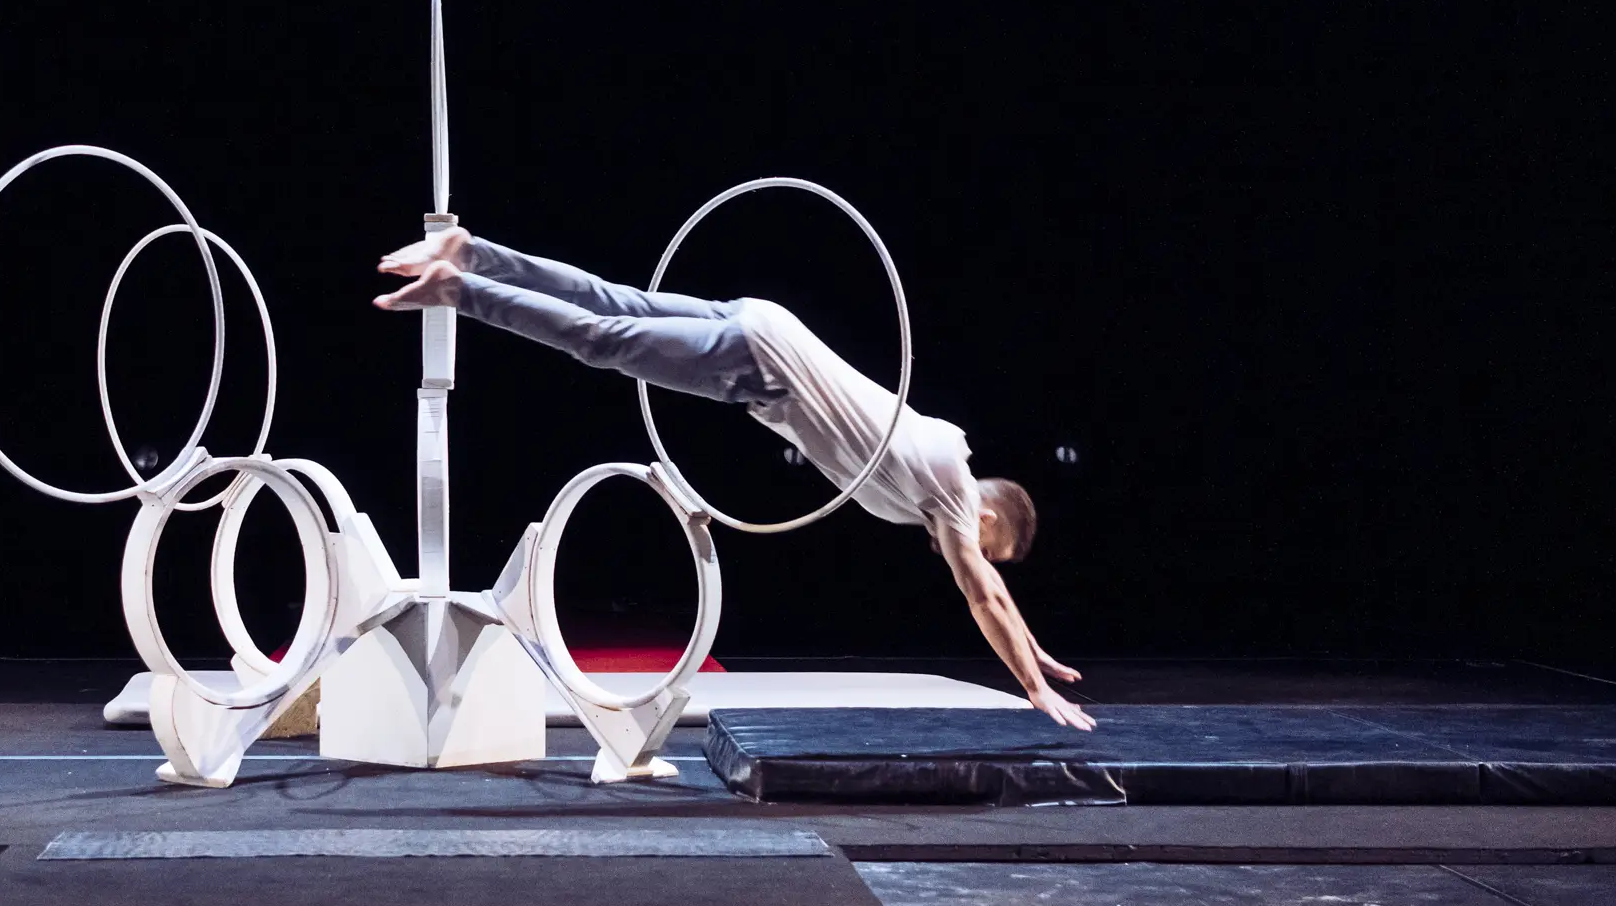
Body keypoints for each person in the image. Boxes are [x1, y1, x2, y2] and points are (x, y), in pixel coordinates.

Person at [374, 227, 1095, 730]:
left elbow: (992, 592)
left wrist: (1030, 648)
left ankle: (470, 253)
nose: (965, 549)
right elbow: (984, 590)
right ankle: (459, 286)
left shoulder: (935, 466)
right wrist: (1030, 682)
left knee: (606, 303)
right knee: (599, 338)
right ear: (992, 520)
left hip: (761, 332)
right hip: (761, 367)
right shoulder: (953, 492)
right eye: (988, 545)